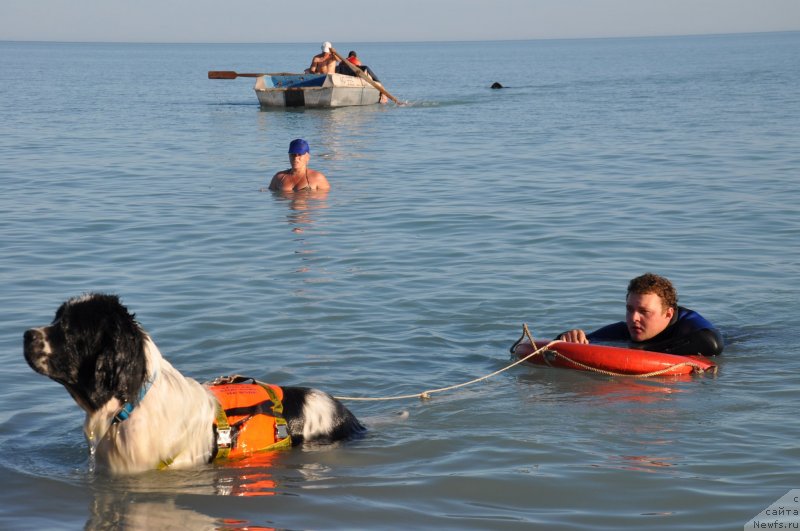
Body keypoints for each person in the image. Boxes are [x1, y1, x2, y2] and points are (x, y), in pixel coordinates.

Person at [558, 273, 724, 357]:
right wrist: (569, 337)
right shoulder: (627, 329)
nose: (634, 318)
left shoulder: (689, 325)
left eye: (644, 312)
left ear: (668, 313)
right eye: (630, 309)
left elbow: (712, 343)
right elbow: (573, 343)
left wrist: (643, 351)